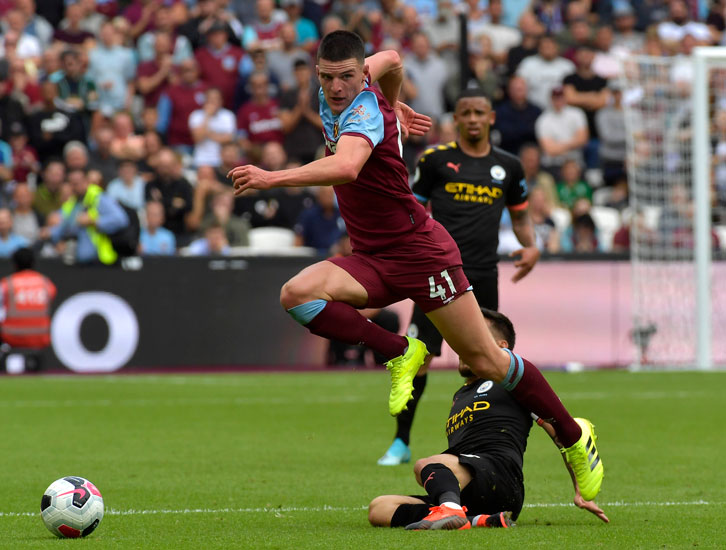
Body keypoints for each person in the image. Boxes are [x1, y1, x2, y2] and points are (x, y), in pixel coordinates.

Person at [228, 31, 604, 502]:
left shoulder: (362, 110)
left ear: (358, 73)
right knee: (297, 294)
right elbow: (395, 58)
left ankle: (574, 438)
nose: (338, 87)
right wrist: (396, 103)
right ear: (318, 72)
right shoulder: (358, 79)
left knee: (486, 359)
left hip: (421, 253)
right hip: (372, 256)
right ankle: (399, 351)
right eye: (328, 77)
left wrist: (271, 177)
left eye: (348, 77)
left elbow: (346, 167)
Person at [377, 87, 540, 466]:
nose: (471, 119)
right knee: (419, 359)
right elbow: (409, 210)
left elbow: (519, 216)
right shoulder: (435, 161)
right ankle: (401, 443)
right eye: (464, 113)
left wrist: (530, 246)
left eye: (478, 113)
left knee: (491, 360)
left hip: (483, 275)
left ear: (491, 118)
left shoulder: (509, 167)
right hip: (435, 274)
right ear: (456, 119)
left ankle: (492, 439)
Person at [368, 308, 609, 530]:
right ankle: (478, 519)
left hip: (500, 477)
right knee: (379, 508)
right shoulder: (460, 394)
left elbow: (560, 434)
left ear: (501, 347)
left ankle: (449, 509)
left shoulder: (513, 383)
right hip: (468, 485)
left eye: (474, 337)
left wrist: (579, 487)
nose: (463, 344)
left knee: (425, 465)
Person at [48, 168, 129, 265]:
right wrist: (51, 231)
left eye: (77, 183)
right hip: (80, 261)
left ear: (86, 181)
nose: (74, 187)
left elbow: (121, 219)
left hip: (100, 261)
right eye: (71, 183)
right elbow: (66, 224)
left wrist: (94, 221)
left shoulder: (99, 198)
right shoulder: (73, 202)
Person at [0, 247, 56, 365]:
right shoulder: (46, 283)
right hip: (40, 337)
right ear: (33, 263)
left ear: (14, 264)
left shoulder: (7, 284)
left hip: (12, 336)